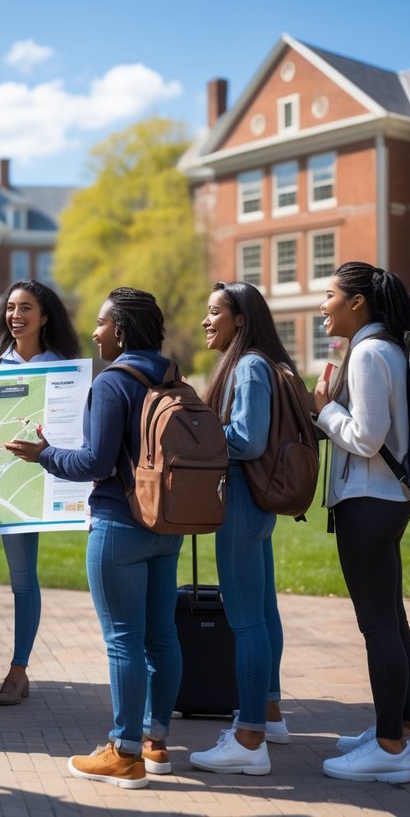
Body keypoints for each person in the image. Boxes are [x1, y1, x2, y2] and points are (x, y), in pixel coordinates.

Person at [4, 287, 181, 789]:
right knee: (161, 638)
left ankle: (123, 753)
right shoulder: (170, 375)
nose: (96, 332)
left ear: (121, 329)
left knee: (123, 640)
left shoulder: (112, 383)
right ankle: (156, 743)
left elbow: (94, 463)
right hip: (165, 525)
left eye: (103, 324)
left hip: (119, 526)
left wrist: (44, 454)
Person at [312, 261, 410, 784]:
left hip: (368, 501)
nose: (322, 306)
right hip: (385, 500)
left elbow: (366, 438)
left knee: (378, 625)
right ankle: (400, 730)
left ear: (357, 302)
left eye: (329, 295)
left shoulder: (368, 352)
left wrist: (322, 410)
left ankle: (389, 748)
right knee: (392, 620)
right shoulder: (384, 348)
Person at [187, 281, 295, 776]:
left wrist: (195, 432)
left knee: (245, 618)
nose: (207, 321)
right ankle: (268, 712)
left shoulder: (248, 365)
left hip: (242, 501)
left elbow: (247, 440)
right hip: (256, 502)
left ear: (240, 320)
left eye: (215, 312)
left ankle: (250, 738)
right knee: (263, 609)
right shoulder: (260, 363)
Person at [0, 279, 80, 706]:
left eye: (26, 308)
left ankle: (18, 671)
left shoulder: (62, 368)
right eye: (11, 307)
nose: (16, 315)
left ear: (45, 316)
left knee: (23, 581)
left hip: (27, 490)